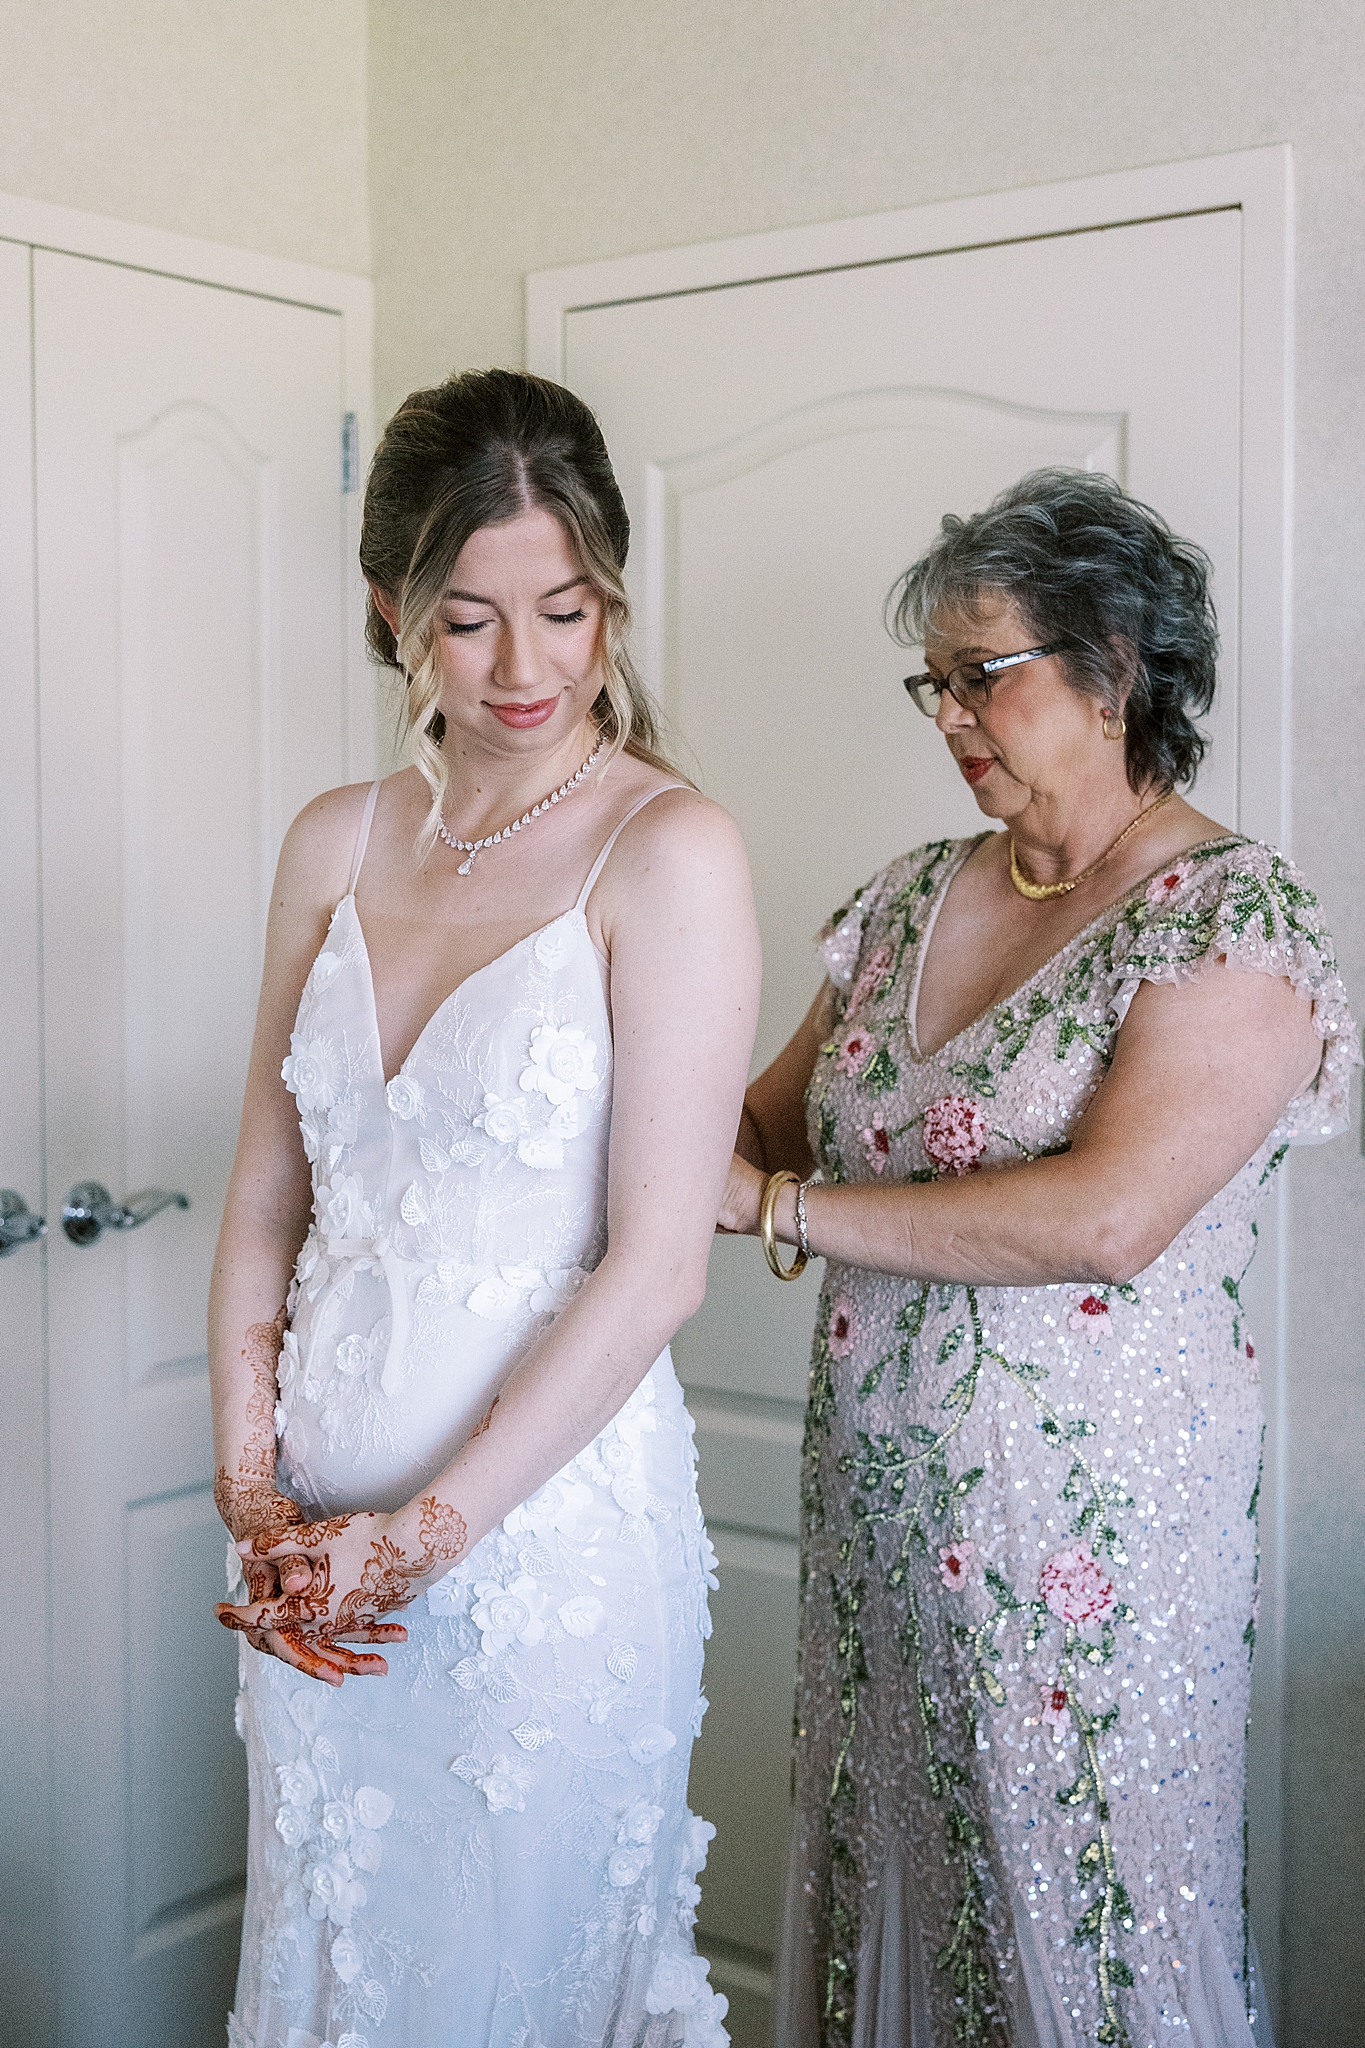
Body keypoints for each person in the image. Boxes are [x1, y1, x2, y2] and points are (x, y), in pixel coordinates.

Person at [720, 470, 1358, 2048]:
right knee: (895, 1886)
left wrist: (782, 1215)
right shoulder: (903, 900)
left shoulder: (1231, 917)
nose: (949, 711)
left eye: (982, 672)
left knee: (1080, 1907)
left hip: (1093, 1541)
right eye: (933, 679)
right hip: (876, 1518)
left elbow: (1106, 1217)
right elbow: (755, 1118)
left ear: (1114, 666)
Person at [210, 368, 756, 2048]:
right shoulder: (331, 842)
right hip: (312, 1552)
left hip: (542, 1557)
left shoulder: (667, 853)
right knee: (335, 1974)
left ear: (609, 596)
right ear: (390, 611)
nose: (524, 669)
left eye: (564, 610)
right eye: (466, 620)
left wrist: (422, 1539)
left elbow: (659, 1267)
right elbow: (263, 1196)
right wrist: (254, 1491)